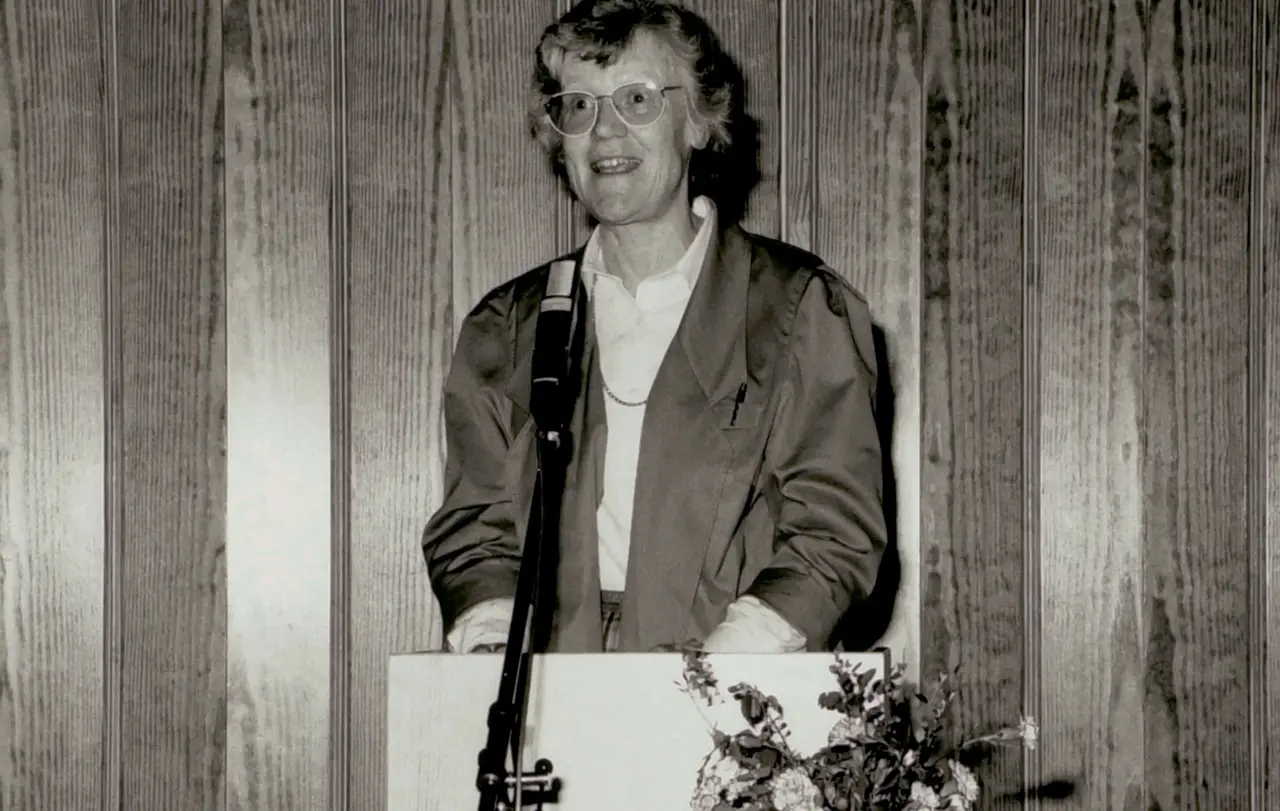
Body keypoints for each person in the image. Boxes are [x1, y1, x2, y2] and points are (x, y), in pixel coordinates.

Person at [422, 0, 888, 655]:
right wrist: (499, 648)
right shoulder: (508, 326)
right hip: (547, 687)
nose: (605, 132)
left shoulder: (799, 309)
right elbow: (478, 528)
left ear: (698, 121)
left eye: (636, 99)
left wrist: (720, 674)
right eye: (580, 106)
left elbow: (833, 528)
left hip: (736, 688)